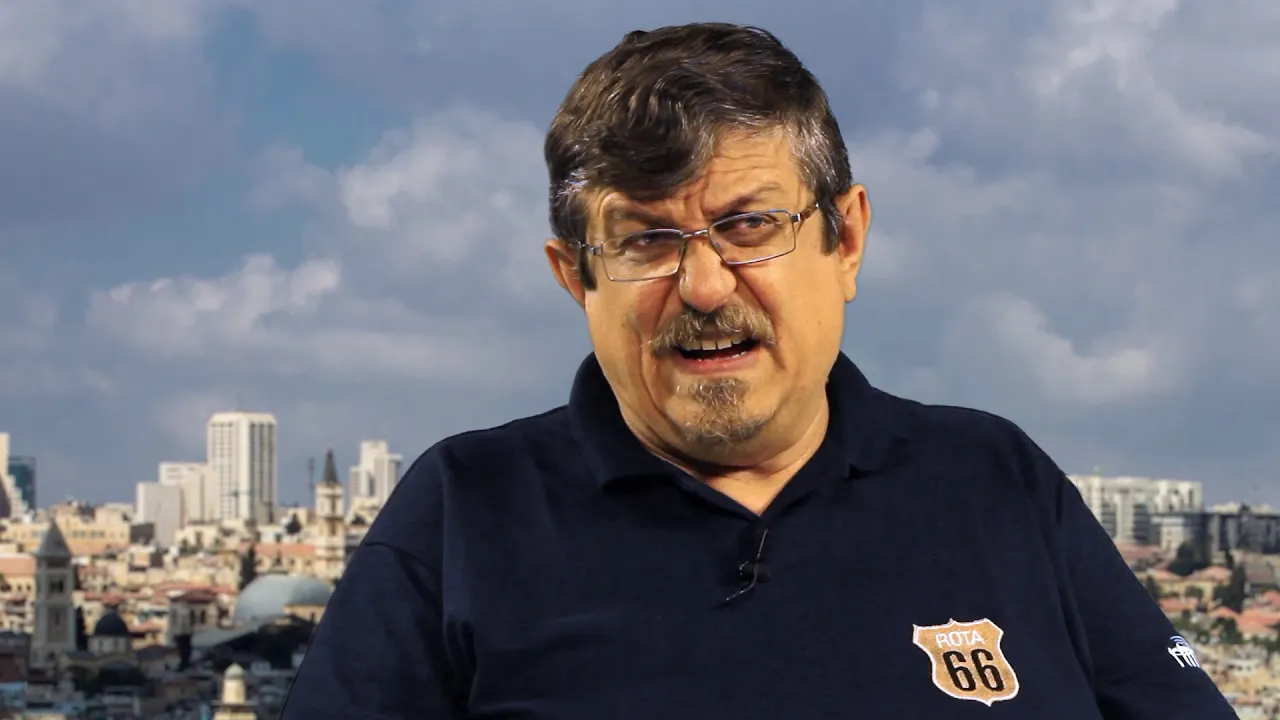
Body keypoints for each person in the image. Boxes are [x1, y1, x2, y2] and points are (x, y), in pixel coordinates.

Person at [282, 23, 1236, 719]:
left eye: (748, 226)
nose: (703, 286)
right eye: (646, 241)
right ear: (576, 277)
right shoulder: (465, 513)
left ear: (845, 239)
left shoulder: (998, 481)